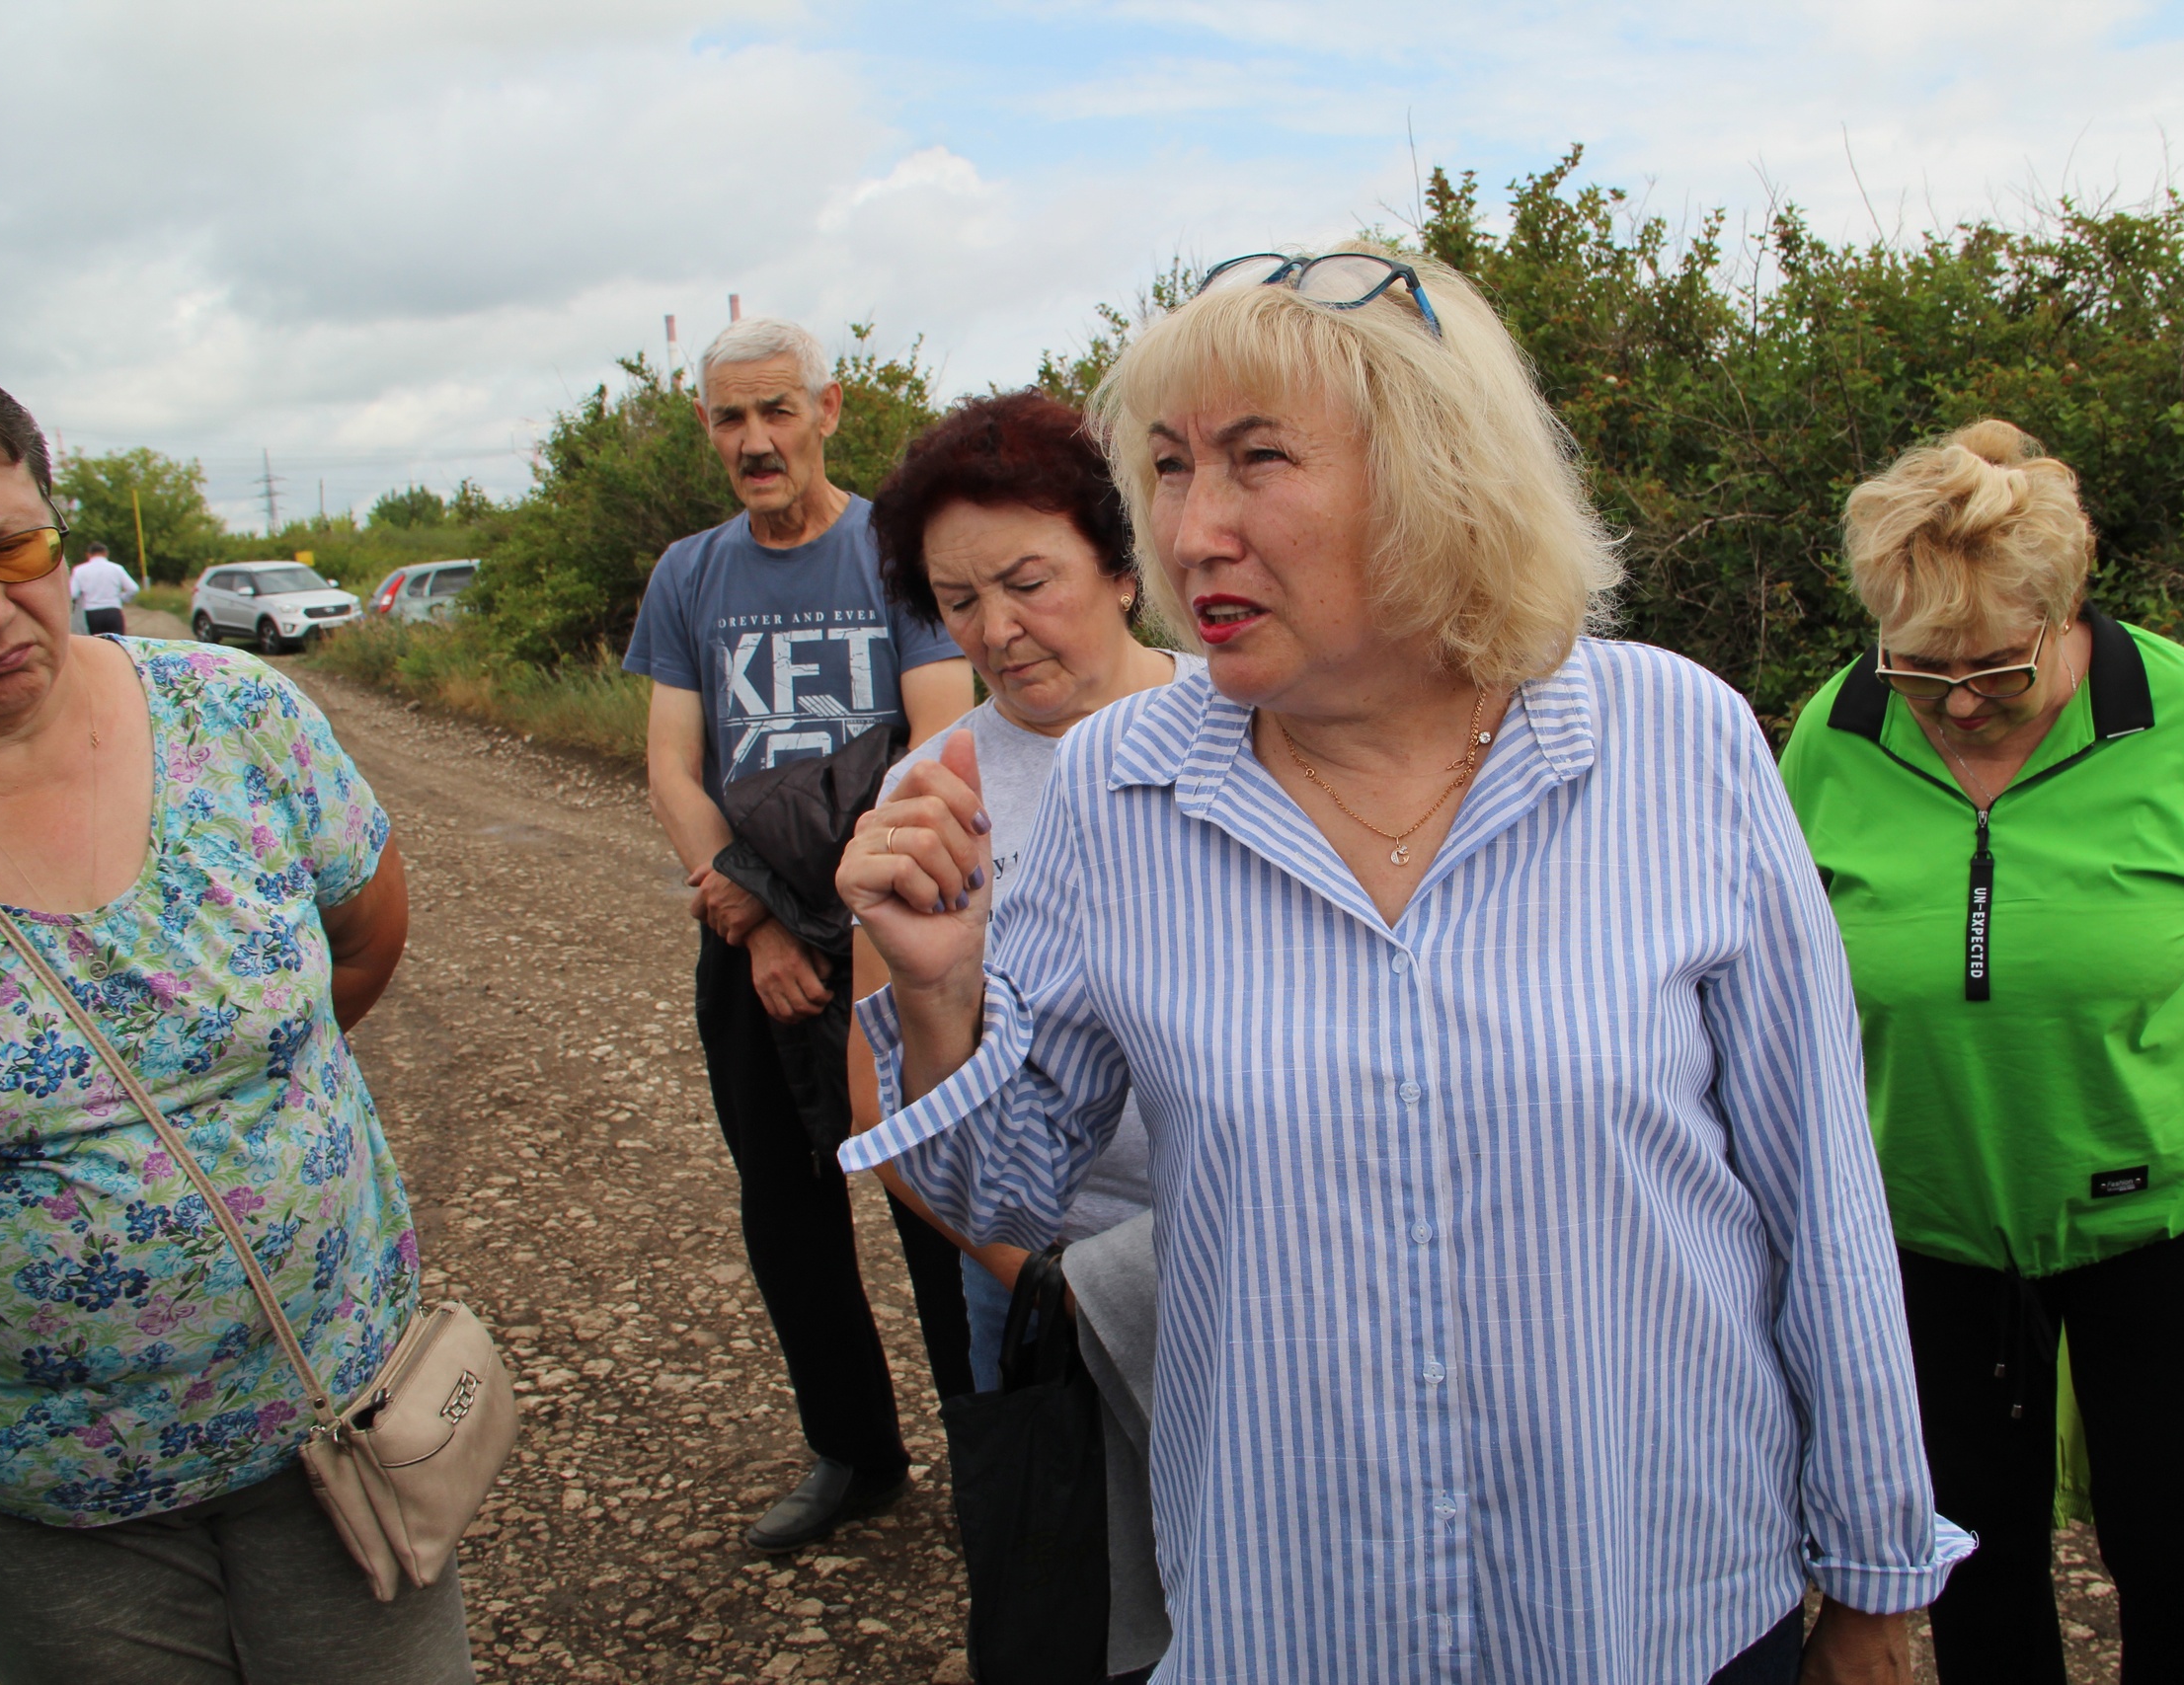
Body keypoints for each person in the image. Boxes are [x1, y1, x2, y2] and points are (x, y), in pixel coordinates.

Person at [839, 249, 1968, 1684]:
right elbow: (1005, 1188)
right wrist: (935, 988)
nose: (1194, 530)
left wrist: (1874, 1579)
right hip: (1296, 1612)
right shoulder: (1118, 783)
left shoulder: (1671, 741)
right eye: (1171, 468)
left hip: (1653, 1598)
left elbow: (1822, 1195)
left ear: (1440, 473)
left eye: (1258, 460)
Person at [1775, 420, 2184, 1683]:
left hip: (2166, 1213)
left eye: (1995, 670)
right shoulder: (1837, 733)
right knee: (1967, 1551)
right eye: (1920, 670)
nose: (1956, 703)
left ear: (2064, 614)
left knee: (2182, 1544)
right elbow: (1788, 959)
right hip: (1925, 1223)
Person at [0, 358, 458, 1680]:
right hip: (55, 1498)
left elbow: (365, 939)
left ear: (55, 530)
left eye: (7, 546)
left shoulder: (237, 716)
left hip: (334, 1416)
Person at [858, 390, 1197, 1682]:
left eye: (1028, 580)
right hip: (1040, 1274)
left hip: (1258, 1253)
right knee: (1081, 1609)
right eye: (956, 600)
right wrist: (1034, 1271)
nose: (995, 630)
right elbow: (880, 1088)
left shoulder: (1259, 728)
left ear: (1122, 564)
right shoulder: (933, 794)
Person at [622, 316, 972, 1553]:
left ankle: (992, 1454)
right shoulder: (690, 574)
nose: (755, 441)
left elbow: (936, 751)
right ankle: (855, 1455)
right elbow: (673, 764)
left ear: (828, 410)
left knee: (938, 1194)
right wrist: (752, 915)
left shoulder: (895, 554)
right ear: (708, 428)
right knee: (785, 1207)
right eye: (730, 418)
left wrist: (850, 928)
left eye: (777, 411)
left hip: (897, 934)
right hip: (749, 933)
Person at [67, 540, 137, 636]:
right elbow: (133, 588)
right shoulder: (116, 568)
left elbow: (73, 593)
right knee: (118, 644)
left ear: (88, 554)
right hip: (113, 610)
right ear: (106, 553)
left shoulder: (79, 570)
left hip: (92, 613)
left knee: (98, 644)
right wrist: (123, 598)